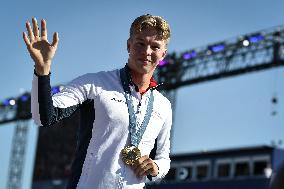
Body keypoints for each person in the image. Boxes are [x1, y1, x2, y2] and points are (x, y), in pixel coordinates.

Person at [23, 14, 172, 189]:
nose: (147, 52)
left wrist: (155, 168)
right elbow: (43, 117)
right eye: (140, 43)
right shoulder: (94, 84)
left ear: (163, 54)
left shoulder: (163, 106)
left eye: (154, 47)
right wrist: (42, 70)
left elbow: (163, 158)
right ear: (128, 45)